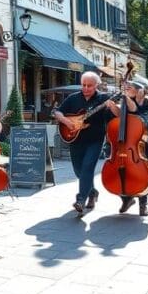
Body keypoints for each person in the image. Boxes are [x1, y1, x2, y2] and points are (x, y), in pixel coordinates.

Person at [54, 71, 118, 214]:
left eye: (89, 85)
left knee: (87, 168)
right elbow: (58, 112)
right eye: (83, 85)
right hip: (75, 139)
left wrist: (112, 106)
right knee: (79, 171)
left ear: (96, 85)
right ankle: (92, 193)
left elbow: (117, 114)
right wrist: (67, 122)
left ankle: (80, 200)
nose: (86, 88)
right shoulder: (73, 98)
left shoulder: (103, 98)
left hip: (95, 140)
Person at [115, 81, 148, 217]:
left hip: (140, 141)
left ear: (139, 90)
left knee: (141, 173)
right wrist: (112, 107)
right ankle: (126, 198)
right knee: (121, 172)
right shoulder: (126, 100)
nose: (127, 90)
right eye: (126, 88)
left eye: (129, 88)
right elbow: (119, 115)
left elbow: (134, 110)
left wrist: (125, 96)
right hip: (126, 141)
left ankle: (143, 205)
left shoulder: (145, 101)